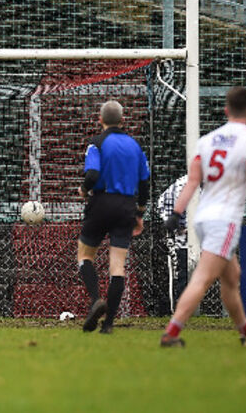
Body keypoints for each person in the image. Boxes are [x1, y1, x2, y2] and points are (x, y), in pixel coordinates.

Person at [161, 86, 246, 347]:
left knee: (231, 277)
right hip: (224, 221)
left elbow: (192, 182)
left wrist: (176, 213)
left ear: (226, 110)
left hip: (202, 218)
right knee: (203, 278)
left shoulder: (207, 141)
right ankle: (171, 333)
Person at [77, 100, 150, 334]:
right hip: (126, 206)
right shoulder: (135, 146)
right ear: (122, 120)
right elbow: (144, 183)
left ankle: (96, 300)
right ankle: (108, 324)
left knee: (85, 255)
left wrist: (84, 189)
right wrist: (140, 212)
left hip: (102, 202)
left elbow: (92, 174)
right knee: (117, 266)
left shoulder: (96, 143)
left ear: (100, 120)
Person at [157, 175, 194, 313]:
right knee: (182, 272)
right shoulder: (182, 185)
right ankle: (181, 308)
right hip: (182, 239)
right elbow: (163, 202)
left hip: (201, 237)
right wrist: (177, 227)